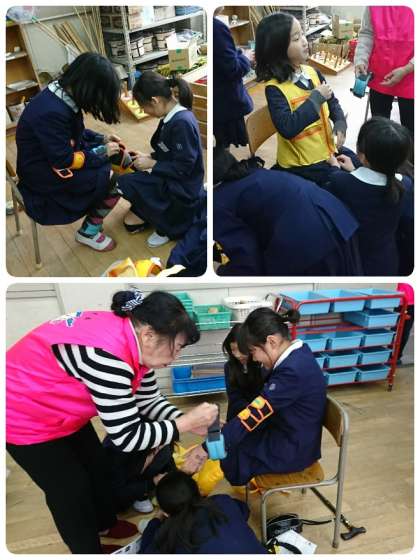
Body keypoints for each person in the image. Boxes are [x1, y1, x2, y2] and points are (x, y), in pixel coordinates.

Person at [6, 290, 218, 554]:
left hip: (59, 408)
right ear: (149, 335)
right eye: (176, 348)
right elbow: (127, 437)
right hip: (20, 413)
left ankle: (104, 524)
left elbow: (148, 399)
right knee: (70, 491)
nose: (175, 358)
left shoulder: (136, 340)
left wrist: (182, 419)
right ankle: (87, 551)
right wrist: (183, 424)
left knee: (97, 468)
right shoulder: (108, 357)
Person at [183, 308, 327, 487]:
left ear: (272, 341)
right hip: (291, 433)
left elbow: (254, 413)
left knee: (233, 451)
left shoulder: (292, 371)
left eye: (253, 351)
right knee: (234, 441)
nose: (255, 358)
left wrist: (204, 449)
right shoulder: (298, 354)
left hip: (294, 448)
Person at [15, 52, 123, 252]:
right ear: (89, 88)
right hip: (44, 175)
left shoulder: (60, 94)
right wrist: (102, 152)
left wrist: (101, 139)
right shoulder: (51, 112)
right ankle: (88, 232)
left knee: (113, 159)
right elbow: (63, 160)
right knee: (115, 181)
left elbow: (73, 133)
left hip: (50, 159)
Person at [213, 147, 363, 276]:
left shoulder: (219, 201)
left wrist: (222, 271)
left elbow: (247, 260)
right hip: (338, 217)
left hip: (310, 242)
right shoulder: (251, 171)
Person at [255, 12, 356, 186]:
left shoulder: (313, 72)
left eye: (302, 34)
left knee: (358, 164)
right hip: (302, 165)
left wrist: (340, 122)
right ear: (278, 49)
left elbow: (332, 103)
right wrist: (315, 99)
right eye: (296, 38)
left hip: (325, 150)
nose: (304, 41)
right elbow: (287, 127)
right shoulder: (274, 89)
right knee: (347, 185)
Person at [117, 71, 204, 248]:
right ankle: (160, 212)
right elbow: (170, 151)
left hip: (182, 187)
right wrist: (149, 156)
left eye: (144, 107)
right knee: (130, 219)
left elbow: (184, 167)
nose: (144, 111)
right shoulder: (172, 117)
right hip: (173, 177)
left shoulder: (181, 123)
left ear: (155, 100)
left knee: (123, 183)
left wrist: (153, 164)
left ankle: (169, 227)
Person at [326, 117, 413, 275]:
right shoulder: (405, 185)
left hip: (352, 262)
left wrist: (334, 167)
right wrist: (355, 170)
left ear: (362, 156)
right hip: (387, 263)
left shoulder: (340, 182)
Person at [139, 470, 268, 553]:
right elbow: (244, 511)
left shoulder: (171, 535)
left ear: (166, 513)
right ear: (199, 491)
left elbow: (146, 551)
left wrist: (155, 521)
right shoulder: (223, 501)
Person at [354, 6, 414, 138]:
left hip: (412, 76)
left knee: (412, 129)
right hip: (379, 74)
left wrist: (407, 68)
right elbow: (367, 33)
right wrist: (360, 60)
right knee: (379, 128)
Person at [102, 434, 176, 514]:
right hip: (113, 495)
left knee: (165, 452)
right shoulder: (118, 451)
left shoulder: (161, 440)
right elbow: (117, 493)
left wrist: (175, 477)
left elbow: (168, 461)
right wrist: (152, 482)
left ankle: (141, 489)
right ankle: (139, 493)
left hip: (134, 474)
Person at [213, 7, 254, 147]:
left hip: (218, 102)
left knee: (221, 143)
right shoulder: (217, 28)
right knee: (222, 145)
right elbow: (234, 69)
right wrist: (246, 58)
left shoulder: (213, 25)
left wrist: (237, 53)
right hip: (224, 103)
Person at [222, 324, 264, 421]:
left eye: (241, 350)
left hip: (261, 415)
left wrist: (256, 413)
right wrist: (249, 411)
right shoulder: (229, 366)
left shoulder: (261, 364)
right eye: (233, 350)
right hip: (237, 415)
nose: (237, 355)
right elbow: (234, 396)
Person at [396, 283, 414, 364]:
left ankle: (397, 356)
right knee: (393, 330)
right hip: (399, 301)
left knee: (404, 332)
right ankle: (388, 354)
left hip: (411, 304)